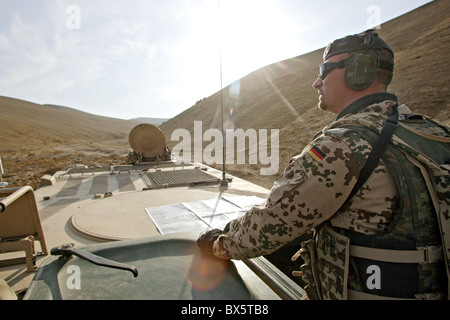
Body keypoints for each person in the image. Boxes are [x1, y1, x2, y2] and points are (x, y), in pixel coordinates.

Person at [197, 29, 450, 300]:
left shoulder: (343, 145)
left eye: (324, 70)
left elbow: (270, 225)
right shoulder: (432, 132)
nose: (317, 83)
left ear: (358, 71)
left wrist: (217, 245)